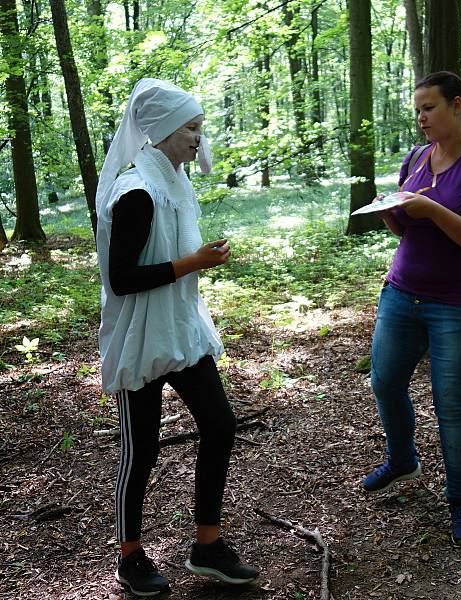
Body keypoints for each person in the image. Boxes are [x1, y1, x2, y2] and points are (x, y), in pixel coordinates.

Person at [96, 78, 258, 597]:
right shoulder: (138, 191)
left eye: (199, 127)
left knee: (220, 425)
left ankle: (206, 546)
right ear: (163, 130)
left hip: (180, 328)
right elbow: (122, 278)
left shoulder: (174, 179)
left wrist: (194, 261)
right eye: (190, 128)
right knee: (139, 447)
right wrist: (195, 262)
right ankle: (130, 557)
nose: (198, 138)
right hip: (139, 336)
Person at [360, 71, 461, 545]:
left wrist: (432, 211)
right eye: (417, 110)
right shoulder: (416, 158)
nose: (421, 118)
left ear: (457, 105)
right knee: (384, 381)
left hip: (460, 305)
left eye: (429, 108)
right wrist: (391, 213)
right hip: (402, 292)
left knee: (451, 404)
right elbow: (408, 231)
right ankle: (402, 458)